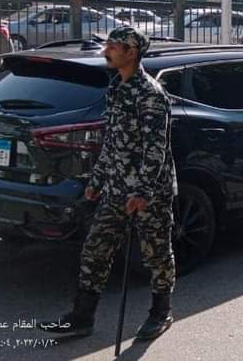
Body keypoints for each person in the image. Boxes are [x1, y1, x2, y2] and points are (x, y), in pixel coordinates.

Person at [40, 27, 177, 340]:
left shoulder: (151, 95)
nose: (106, 51)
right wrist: (97, 179)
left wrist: (142, 191)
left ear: (131, 52)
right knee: (95, 249)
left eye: (113, 47)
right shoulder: (117, 88)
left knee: (156, 253)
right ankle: (82, 317)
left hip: (149, 193)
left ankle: (161, 312)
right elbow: (113, 141)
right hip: (115, 188)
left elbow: (155, 149)